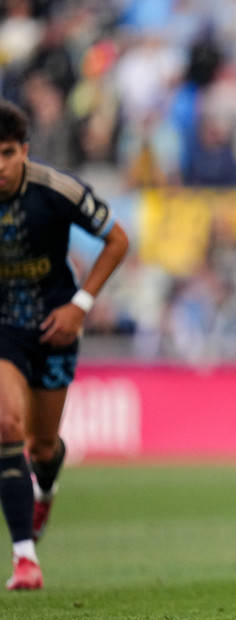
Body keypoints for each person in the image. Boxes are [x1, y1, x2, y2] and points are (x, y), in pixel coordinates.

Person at [0, 100, 130, 590]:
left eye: (7, 153)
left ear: (24, 151)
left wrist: (81, 305)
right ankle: (24, 558)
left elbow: (118, 240)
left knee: (42, 445)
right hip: (4, 327)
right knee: (6, 424)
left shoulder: (57, 189)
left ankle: (46, 487)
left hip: (57, 326)